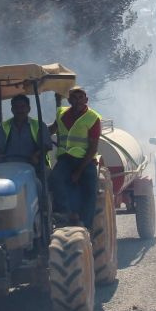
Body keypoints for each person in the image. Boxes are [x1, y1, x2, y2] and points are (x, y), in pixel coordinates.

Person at [50, 86, 102, 226]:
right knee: (54, 178)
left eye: (81, 97)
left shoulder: (93, 118)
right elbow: (52, 129)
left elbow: (93, 148)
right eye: (74, 97)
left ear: (86, 99)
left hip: (85, 160)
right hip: (65, 159)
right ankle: (64, 214)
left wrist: (79, 172)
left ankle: (86, 224)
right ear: (69, 100)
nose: (78, 100)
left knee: (90, 189)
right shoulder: (61, 114)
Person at [0, 94, 52, 165]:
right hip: (8, 167)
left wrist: (36, 156)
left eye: (22, 107)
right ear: (12, 110)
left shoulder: (39, 125)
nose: (19, 110)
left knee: (51, 175)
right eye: (16, 107)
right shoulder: (3, 127)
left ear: (29, 109)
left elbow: (46, 146)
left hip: (34, 168)